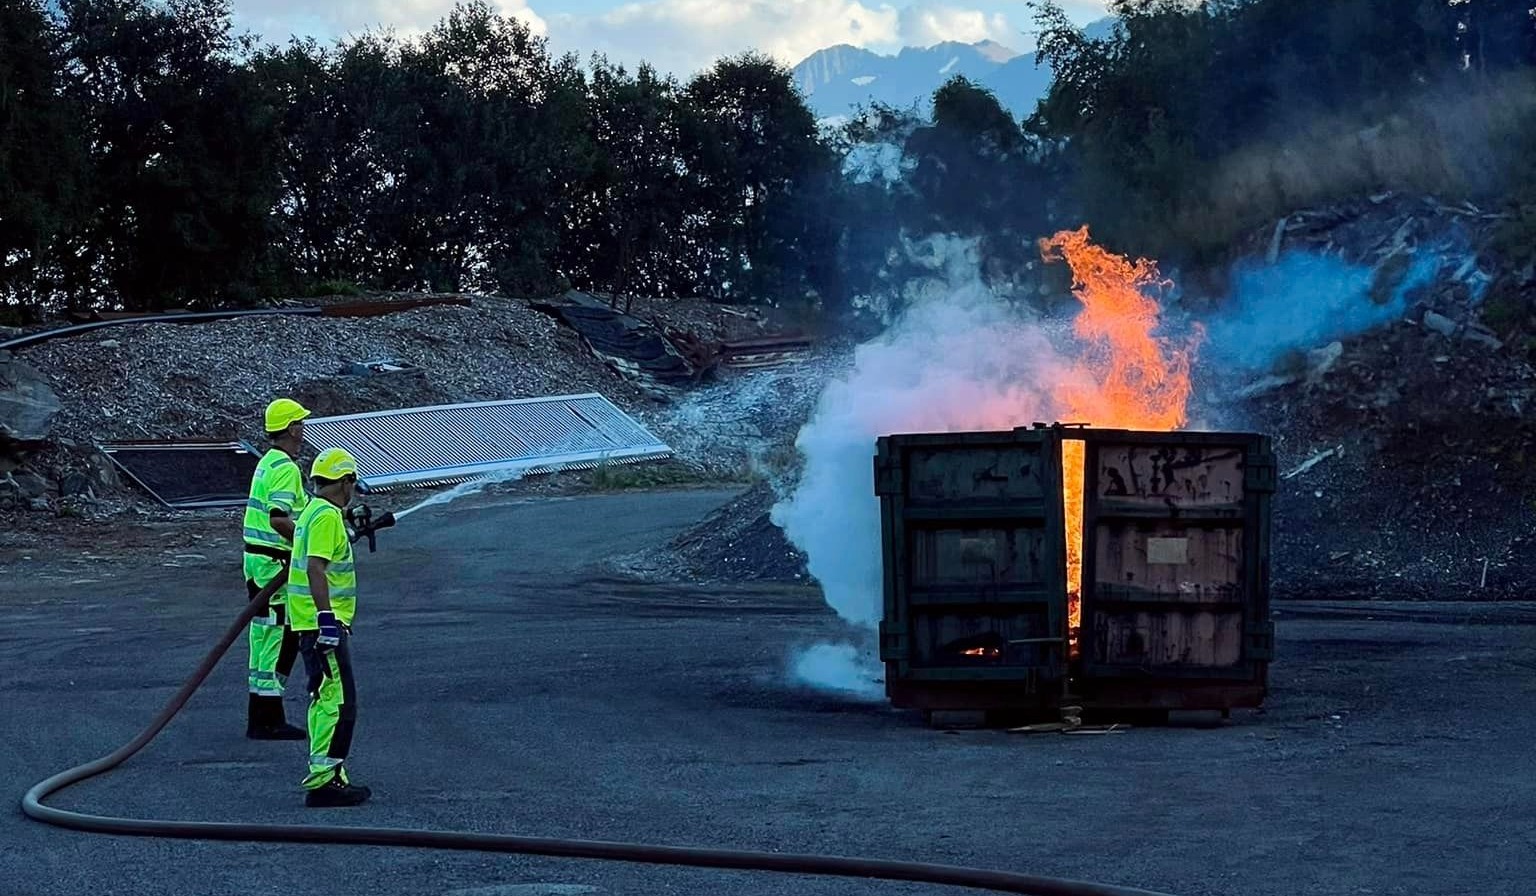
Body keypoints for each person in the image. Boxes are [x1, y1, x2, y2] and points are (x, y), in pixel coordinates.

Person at [287, 447, 372, 807]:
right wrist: (326, 621)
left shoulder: (317, 512)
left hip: (313, 623)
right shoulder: (324, 518)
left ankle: (333, 774)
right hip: (323, 624)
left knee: (328, 697)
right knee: (337, 701)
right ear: (346, 482)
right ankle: (324, 781)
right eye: (351, 483)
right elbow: (316, 568)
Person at [240, 398, 311, 740]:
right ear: (293, 428)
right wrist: (309, 541)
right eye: (301, 424)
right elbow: (279, 517)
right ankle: (269, 718)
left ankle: (261, 715)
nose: (305, 431)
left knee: (263, 635)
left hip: (259, 564)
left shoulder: (267, 462)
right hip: (274, 566)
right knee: (281, 637)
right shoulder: (286, 468)